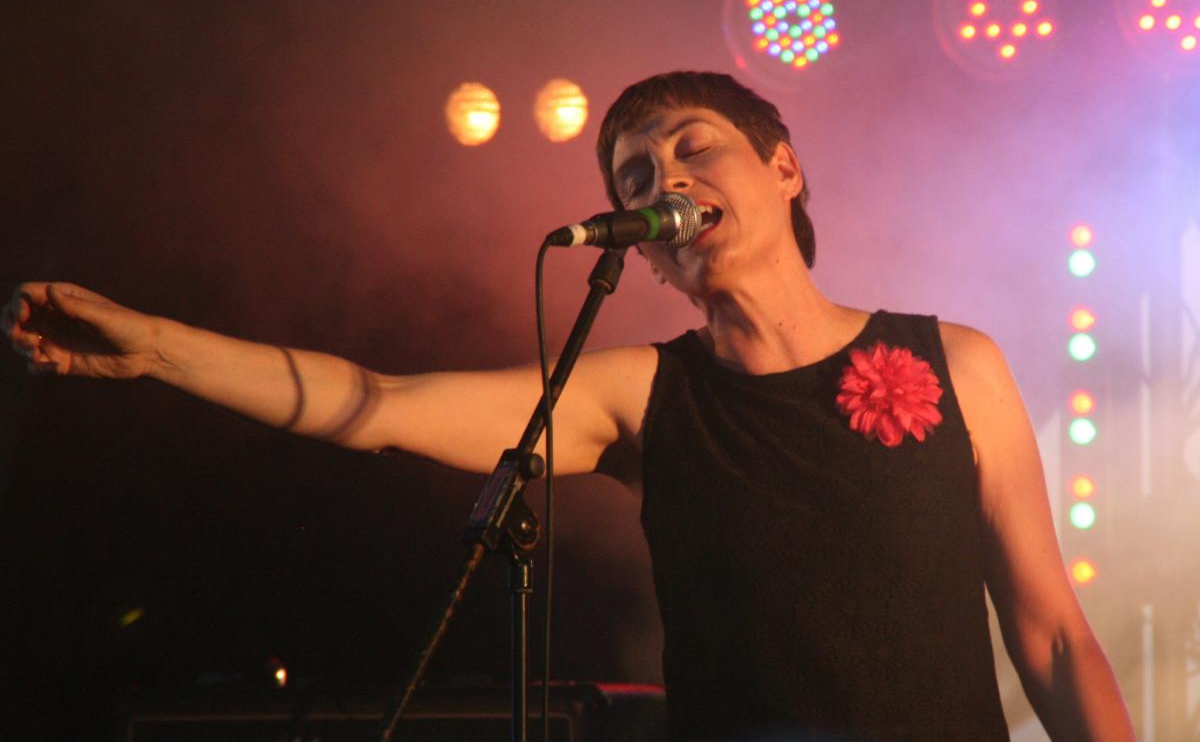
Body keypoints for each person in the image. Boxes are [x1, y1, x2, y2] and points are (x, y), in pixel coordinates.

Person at [4, 71, 1133, 740]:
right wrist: (159, 346)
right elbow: (378, 402)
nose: (665, 183)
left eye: (695, 149)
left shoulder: (955, 359)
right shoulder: (641, 392)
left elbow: (1046, 626)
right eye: (635, 179)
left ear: (784, 169)